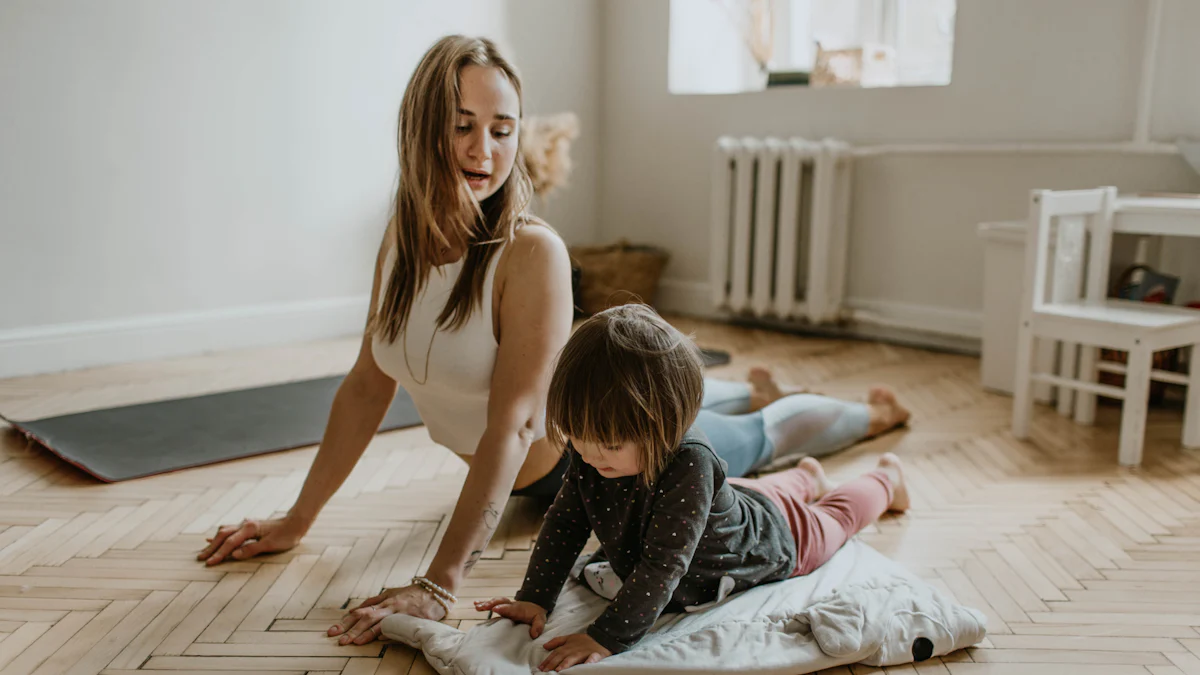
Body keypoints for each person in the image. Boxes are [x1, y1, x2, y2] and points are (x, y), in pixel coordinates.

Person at [196, 34, 910, 645]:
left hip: (606, 457)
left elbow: (511, 426)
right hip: (582, 446)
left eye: (502, 128)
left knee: (755, 436)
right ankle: (754, 406)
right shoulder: (401, 239)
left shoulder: (529, 252)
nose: (485, 149)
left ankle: (869, 419)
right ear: (420, 128)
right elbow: (364, 386)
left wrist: (439, 584)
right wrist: (298, 517)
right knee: (732, 423)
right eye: (462, 125)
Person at [475, 304, 910, 671]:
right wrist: (535, 597)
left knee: (835, 517)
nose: (589, 456)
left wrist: (605, 637)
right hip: (735, 501)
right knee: (757, 494)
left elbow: (663, 566)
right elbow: (566, 522)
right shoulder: (594, 451)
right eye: (578, 438)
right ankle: (807, 476)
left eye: (608, 444)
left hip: (773, 538)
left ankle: (886, 479)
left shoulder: (690, 463)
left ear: (666, 425)